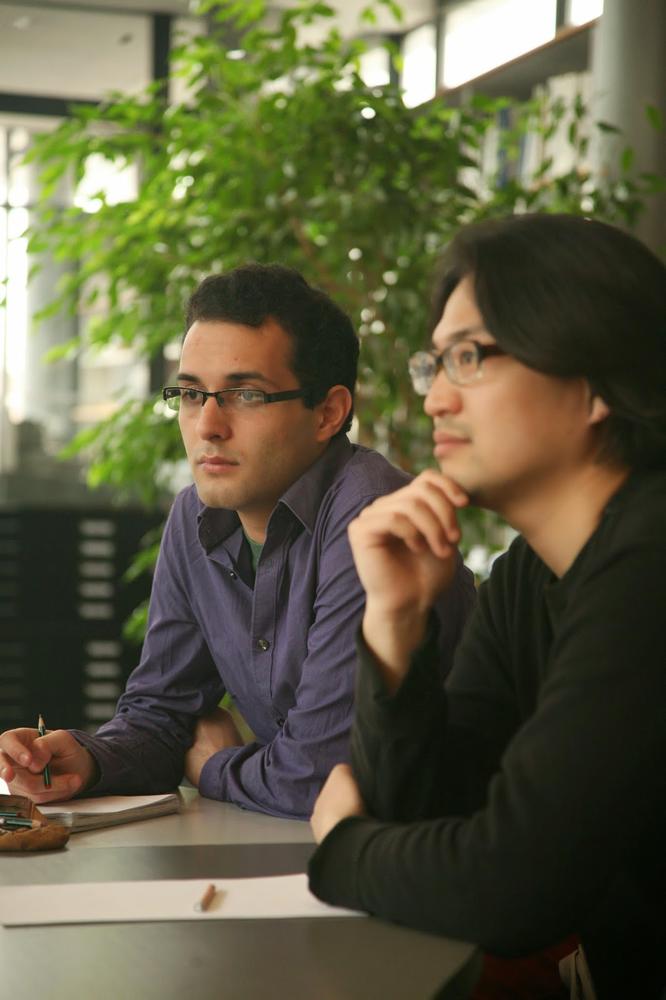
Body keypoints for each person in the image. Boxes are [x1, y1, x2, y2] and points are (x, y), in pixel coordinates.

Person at [308, 214, 666, 998]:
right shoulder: (526, 577)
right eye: (434, 363)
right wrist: (395, 623)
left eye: (467, 358)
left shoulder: (648, 566)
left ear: (595, 379)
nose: (436, 399)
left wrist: (339, 847)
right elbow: (426, 821)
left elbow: (512, 887)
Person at [0, 263, 475, 820]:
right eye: (190, 393)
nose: (207, 425)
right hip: (318, 850)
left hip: (443, 848)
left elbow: (318, 778)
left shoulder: (369, 516)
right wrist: (88, 758)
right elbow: (161, 711)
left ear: (328, 412)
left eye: (246, 394)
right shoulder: (194, 516)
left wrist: (213, 766)